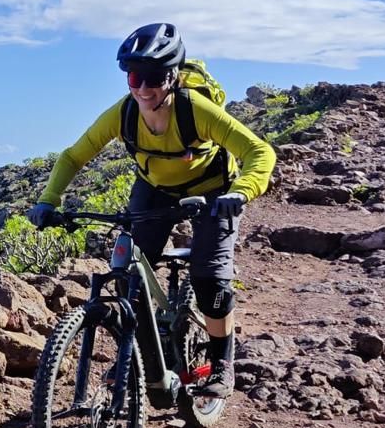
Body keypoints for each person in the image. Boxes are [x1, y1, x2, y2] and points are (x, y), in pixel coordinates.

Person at [26, 22, 276, 398]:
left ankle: (223, 363)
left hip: (213, 193)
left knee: (210, 279)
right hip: (155, 189)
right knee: (128, 276)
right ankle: (137, 356)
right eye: (135, 77)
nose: (144, 88)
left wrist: (240, 193)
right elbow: (73, 156)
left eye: (155, 77)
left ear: (172, 76)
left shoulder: (196, 110)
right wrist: (49, 200)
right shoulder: (124, 113)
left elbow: (260, 151)